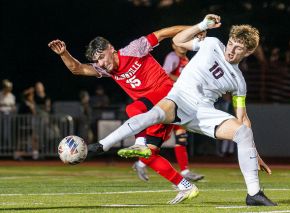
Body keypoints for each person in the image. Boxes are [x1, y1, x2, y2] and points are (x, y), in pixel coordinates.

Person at [86, 14, 277, 206]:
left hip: (202, 113)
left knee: (243, 132)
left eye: (239, 48)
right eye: (231, 43)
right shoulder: (212, 43)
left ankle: (254, 194)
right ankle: (101, 146)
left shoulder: (239, 81)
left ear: (249, 52)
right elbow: (178, 40)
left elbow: (242, 117)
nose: (231, 50)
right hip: (179, 98)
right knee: (150, 115)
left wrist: (253, 153)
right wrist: (202, 25)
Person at [48, 25, 200, 204]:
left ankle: (139, 142)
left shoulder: (134, 49)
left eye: (102, 57)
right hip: (152, 112)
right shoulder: (105, 69)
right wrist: (63, 53)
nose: (102, 63)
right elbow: (78, 69)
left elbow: (163, 34)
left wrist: (196, 27)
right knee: (148, 156)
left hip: (166, 93)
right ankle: (186, 186)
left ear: (111, 48)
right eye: (98, 61)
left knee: (132, 109)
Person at [133, 41, 204, 182]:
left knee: (180, 136)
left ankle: (184, 171)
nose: (183, 46)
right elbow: (164, 74)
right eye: (179, 44)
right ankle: (141, 163)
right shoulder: (173, 57)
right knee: (159, 138)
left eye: (184, 44)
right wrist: (182, 80)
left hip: (179, 101)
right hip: (168, 101)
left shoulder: (185, 59)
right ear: (174, 46)